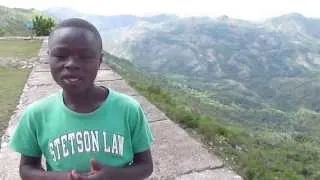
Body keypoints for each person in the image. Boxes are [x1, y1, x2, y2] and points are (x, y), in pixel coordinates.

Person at [9, 18, 154, 180]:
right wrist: (63, 177)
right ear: (49, 57)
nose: (71, 64)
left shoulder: (129, 110)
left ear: (100, 60)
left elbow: (146, 166)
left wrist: (111, 175)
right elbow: (27, 168)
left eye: (85, 56)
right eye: (61, 55)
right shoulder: (36, 115)